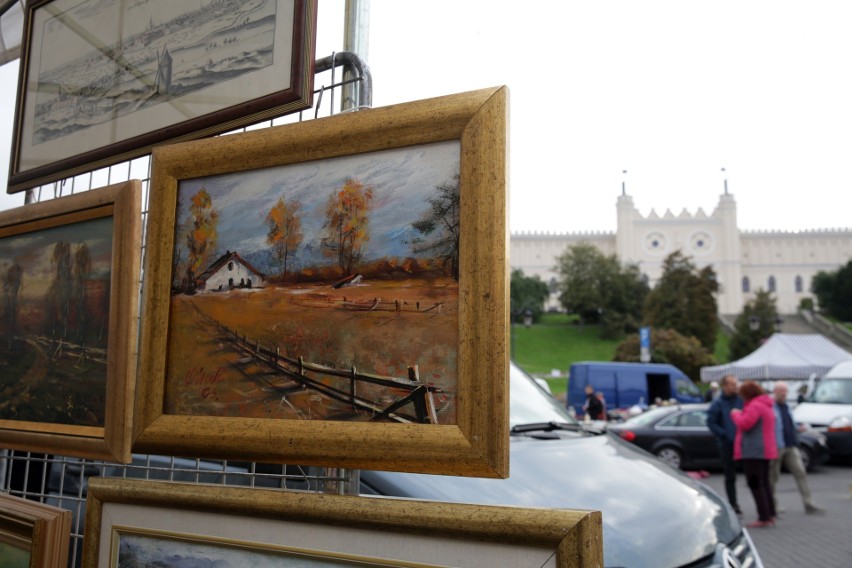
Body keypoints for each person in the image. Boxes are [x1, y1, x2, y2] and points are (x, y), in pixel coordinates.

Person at [770, 381, 826, 515]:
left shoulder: (787, 406)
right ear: (775, 392)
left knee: (801, 472)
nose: (784, 394)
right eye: (781, 391)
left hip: (791, 445)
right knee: (773, 477)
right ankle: (773, 505)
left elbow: (790, 423)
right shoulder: (771, 406)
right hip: (777, 446)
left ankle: (809, 503)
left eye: (785, 391)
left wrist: (798, 428)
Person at [731, 381, 778, 528]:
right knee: (764, 483)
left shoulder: (755, 406)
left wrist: (735, 415)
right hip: (765, 450)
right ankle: (770, 513)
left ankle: (763, 517)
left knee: (755, 484)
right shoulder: (765, 405)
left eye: (742, 394)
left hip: (754, 451)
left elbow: (745, 423)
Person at [707, 374, 743, 515]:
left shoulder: (741, 400)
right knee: (730, 476)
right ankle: (733, 504)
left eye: (736, 384)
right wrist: (723, 435)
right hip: (727, 445)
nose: (736, 387)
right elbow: (711, 422)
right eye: (733, 384)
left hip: (743, 444)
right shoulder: (718, 403)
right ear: (725, 386)